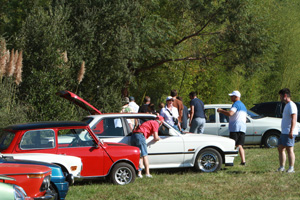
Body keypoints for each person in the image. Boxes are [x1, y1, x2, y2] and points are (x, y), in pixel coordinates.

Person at [217, 90, 247, 165]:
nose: (230, 97)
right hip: (242, 128)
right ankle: (243, 161)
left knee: (231, 144)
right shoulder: (243, 106)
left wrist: (221, 110)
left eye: (232, 96)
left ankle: (230, 162)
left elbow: (230, 113)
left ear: (236, 97)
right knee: (239, 145)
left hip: (235, 127)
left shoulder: (235, 104)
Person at [277, 88, 298, 173]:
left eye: (281, 96)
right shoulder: (287, 105)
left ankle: (291, 168)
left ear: (285, 96)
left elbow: (294, 118)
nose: (280, 98)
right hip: (284, 131)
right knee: (280, 148)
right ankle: (282, 167)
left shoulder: (292, 105)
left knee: (289, 149)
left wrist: (291, 131)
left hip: (289, 131)